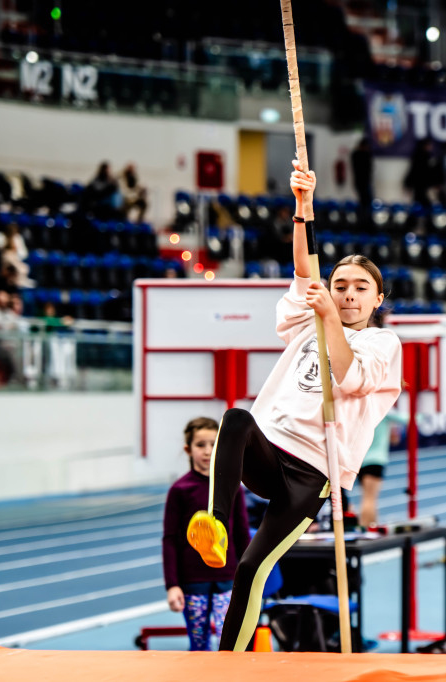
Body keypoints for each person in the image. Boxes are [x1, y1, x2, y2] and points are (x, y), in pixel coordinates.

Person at [184, 160, 403, 652]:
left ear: (378, 299)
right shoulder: (311, 316)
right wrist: (303, 207)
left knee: (251, 568)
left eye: (359, 288)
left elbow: (349, 376)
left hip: (311, 474)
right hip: (271, 449)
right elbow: (306, 269)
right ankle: (215, 523)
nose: (347, 294)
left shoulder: (383, 344)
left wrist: (329, 320)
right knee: (237, 418)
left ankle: (229, 663)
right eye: (340, 285)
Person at [163, 417, 251, 651]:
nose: (207, 451)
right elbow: (170, 539)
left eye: (213, 444)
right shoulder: (180, 490)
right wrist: (172, 585)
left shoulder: (232, 488)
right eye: (200, 445)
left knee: (228, 643)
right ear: (188, 449)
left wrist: (248, 576)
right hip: (193, 582)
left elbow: (242, 532)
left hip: (227, 578)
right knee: (199, 644)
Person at [357, 411, 407, 527]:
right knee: (369, 499)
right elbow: (411, 419)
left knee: (367, 497)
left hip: (361, 459)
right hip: (375, 460)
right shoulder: (383, 410)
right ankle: (367, 528)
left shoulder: (362, 411)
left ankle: (371, 526)